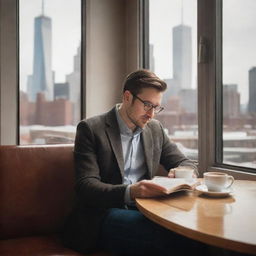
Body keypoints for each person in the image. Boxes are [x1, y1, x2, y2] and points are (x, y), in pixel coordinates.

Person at [62, 69, 203, 255]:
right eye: (147, 105)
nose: (152, 114)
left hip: (146, 209)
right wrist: (131, 192)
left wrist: (182, 173)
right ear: (127, 97)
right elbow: (86, 187)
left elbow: (186, 162)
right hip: (102, 214)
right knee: (172, 238)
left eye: (157, 107)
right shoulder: (90, 129)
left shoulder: (155, 129)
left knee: (193, 233)